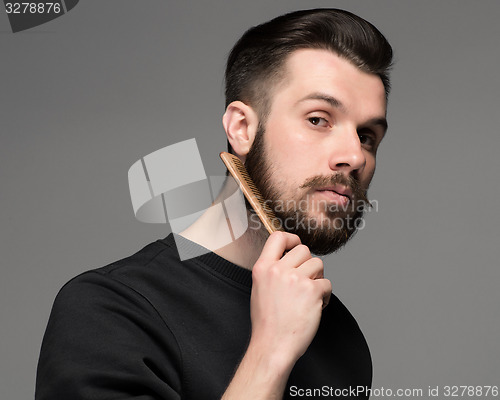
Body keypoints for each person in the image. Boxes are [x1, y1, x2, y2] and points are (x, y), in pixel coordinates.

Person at [35, 8, 393, 400]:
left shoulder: (338, 334)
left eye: (367, 136)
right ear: (241, 128)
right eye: (319, 119)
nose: (355, 156)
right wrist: (270, 352)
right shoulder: (109, 311)